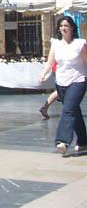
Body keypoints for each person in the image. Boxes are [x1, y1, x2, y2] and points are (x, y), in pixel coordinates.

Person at [39, 16, 87, 154]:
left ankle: (63, 141)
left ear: (72, 27)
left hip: (78, 80)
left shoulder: (80, 43)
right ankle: (83, 141)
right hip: (61, 82)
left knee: (68, 110)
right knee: (74, 112)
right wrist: (44, 73)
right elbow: (50, 62)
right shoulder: (56, 44)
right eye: (61, 26)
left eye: (66, 25)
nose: (63, 28)